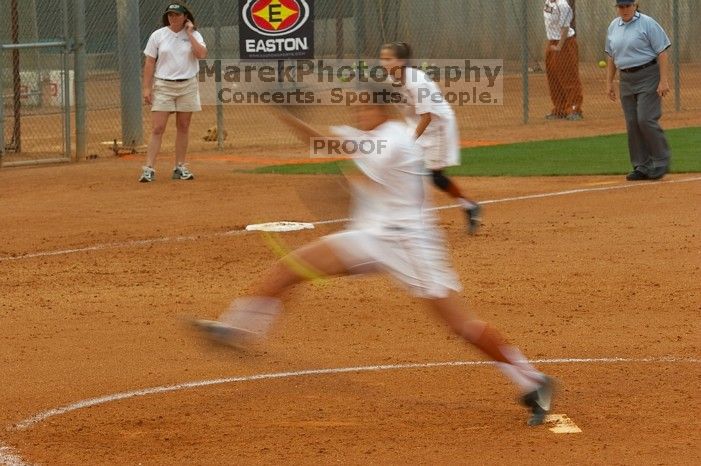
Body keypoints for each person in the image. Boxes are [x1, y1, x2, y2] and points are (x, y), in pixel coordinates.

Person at [191, 85, 555, 427]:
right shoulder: (376, 136)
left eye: (364, 106)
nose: (358, 112)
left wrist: (343, 188)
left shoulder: (395, 140)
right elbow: (323, 143)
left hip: (413, 247)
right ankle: (237, 328)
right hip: (373, 237)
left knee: (462, 326)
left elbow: (339, 155)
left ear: (382, 108)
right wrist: (285, 115)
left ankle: (533, 380)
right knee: (292, 266)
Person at [379, 42, 482, 235]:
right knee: (409, 170)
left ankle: (469, 206)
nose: (383, 62)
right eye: (382, 58)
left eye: (388, 58)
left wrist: (409, 142)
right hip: (416, 126)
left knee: (434, 175)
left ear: (401, 61)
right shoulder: (390, 80)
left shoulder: (416, 82)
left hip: (437, 126)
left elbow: (427, 116)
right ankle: (411, 219)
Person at [139, 3, 207, 183]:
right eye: (170, 15)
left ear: (185, 16)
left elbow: (201, 54)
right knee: (158, 127)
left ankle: (180, 166)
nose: (173, 18)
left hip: (188, 85)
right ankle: (149, 168)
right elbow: (149, 63)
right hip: (164, 85)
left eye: (177, 15)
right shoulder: (158, 35)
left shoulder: (195, 34)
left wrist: (190, 33)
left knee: (183, 126)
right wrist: (147, 87)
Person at [605, 0, 671, 181]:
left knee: (645, 118)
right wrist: (609, 82)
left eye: (628, 6)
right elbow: (611, 56)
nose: (624, 9)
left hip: (648, 74)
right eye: (621, 6)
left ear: (635, 5)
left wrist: (663, 80)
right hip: (626, 79)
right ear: (617, 8)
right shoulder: (613, 26)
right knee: (632, 122)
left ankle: (661, 160)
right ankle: (641, 166)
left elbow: (662, 52)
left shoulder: (647, 23)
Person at [543, 0, 584, 120]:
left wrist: (559, 47)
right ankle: (559, 109)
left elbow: (565, 28)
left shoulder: (563, 5)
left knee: (568, 77)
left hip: (564, 43)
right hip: (552, 41)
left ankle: (574, 109)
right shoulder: (548, 2)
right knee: (553, 77)